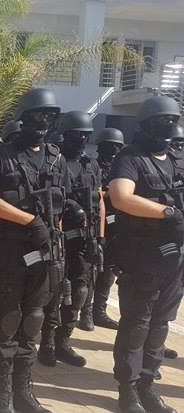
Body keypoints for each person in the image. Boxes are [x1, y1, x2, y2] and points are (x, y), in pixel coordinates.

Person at [0, 88, 69, 413]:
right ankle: (3, 395)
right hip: (10, 253)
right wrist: (31, 221)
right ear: (25, 117)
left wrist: (55, 239)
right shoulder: (1, 155)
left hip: (45, 254)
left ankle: (24, 392)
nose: (44, 122)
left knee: (33, 322)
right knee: (7, 321)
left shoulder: (57, 159)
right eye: (38, 115)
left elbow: (58, 208)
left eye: (50, 116)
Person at [107, 95, 183, 413]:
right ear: (146, 124)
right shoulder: (130, 158)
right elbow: (121, 197)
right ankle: (128, 389)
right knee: (136, 325)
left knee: (160, 326)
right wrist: (168, 213)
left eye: (172, 121)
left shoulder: (177, 158)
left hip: (174, 259)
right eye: (161, 121)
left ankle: (148, 386)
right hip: (142, 256)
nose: (168, 127)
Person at [38, 111, 104, 368]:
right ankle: (47, 342)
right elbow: (48, 200)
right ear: (65, 134)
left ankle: (63, 341)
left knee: (80, 291)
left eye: (86, 135)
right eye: (77, 135)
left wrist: (99, 237)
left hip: (85, 240)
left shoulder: (91, 164)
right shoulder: (54, 162)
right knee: (55, 291)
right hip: (61, 237)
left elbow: (99, 201)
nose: (82, 139)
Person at [87, 128, 124, 331]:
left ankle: (98, 311)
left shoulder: (122, 168)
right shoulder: (92, 165)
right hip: (96, 224)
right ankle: (84, 311)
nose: (114, 150)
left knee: (109, 271)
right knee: (90, 269)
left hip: (116, 227)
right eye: (110, 146)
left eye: (117, 146)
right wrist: (107, 193)